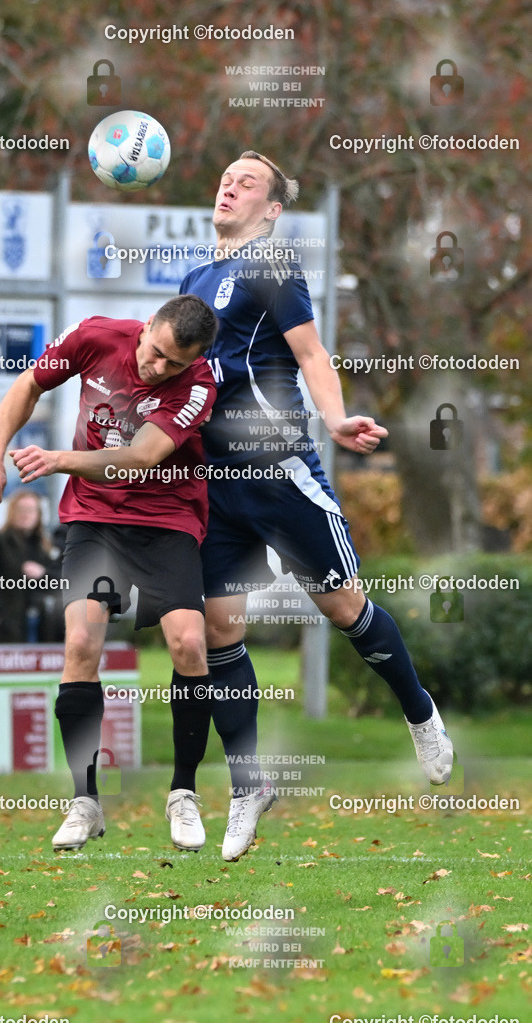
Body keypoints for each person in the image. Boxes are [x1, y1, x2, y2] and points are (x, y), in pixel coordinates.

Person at [180, 151, 455, 861]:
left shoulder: (271, 265)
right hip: (217, 483)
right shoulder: (194, 278)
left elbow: (310, 354)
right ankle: (248, 786)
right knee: (218, 630)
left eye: (247, 182)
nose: (229, 185)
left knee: (343, 609)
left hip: (279, 475)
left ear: (272, 210)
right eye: (226, 177)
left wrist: (333, 420)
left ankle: (419, 711)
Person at [0, 295, 219, 853]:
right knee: (81, 643)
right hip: (96, 519)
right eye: (156, 353)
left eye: (174, 364)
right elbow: (28, 385)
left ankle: (183, 793)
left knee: (188, 643)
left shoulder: (198, 385)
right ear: (147, 326)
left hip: (166, 520)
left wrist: (58, 460)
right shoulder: (95, 336)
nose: (159, 368)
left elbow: (141, 457)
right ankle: (85, 802)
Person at [0, 490, 63, 642]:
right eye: (21, 509)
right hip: (8, 626)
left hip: (43, 625)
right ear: (12, 512)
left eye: (30, 510)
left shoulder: (47, 547)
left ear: (38, 514)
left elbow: (62, 581)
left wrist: (43, 574)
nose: (25, 515)